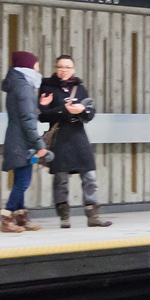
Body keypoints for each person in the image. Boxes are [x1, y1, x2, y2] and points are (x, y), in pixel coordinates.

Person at [39, 55, 111, 228]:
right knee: (61, 179)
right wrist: (63, 110)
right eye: (61, 67)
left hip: (79, 136)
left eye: (68, 67)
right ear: (56, 68)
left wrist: (82, 110)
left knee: (89, 176)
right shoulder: (47, 86)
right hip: (60, 137)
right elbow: (42, 116)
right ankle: (64, 216)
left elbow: (90, 113)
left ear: (73, 70)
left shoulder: (79, 87)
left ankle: (93, 215)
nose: (64, 70)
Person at [0, 51, 50, 233]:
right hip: (22, 142)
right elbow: (29, 123)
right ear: (28, 67)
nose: (38, 69)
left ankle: (21, 217)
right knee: (22, 182)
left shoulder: (20, 86)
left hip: (17, 140)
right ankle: (7, 217)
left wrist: (40, 105)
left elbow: (27, 114)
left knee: (22, 179)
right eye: (36, 65)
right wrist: (40, 146)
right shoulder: (24, 89)